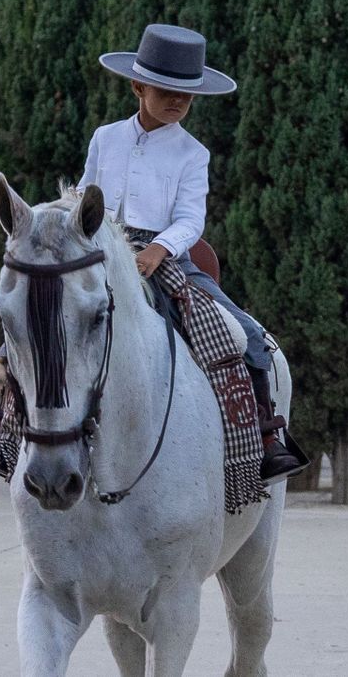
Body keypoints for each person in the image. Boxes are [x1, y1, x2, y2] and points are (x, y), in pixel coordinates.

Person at [79, 24, 304, 480]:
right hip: (100, 250)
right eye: (165, 90)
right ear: (138, 86)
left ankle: (263, 435)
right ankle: (6, 424)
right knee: (35, 317)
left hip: (166, 258)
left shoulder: (192, 153)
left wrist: (159, 249)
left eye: (187, 94)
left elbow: (190, 220)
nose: (177, 101)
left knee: (245, 336)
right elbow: (85, 194)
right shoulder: (105, 138)